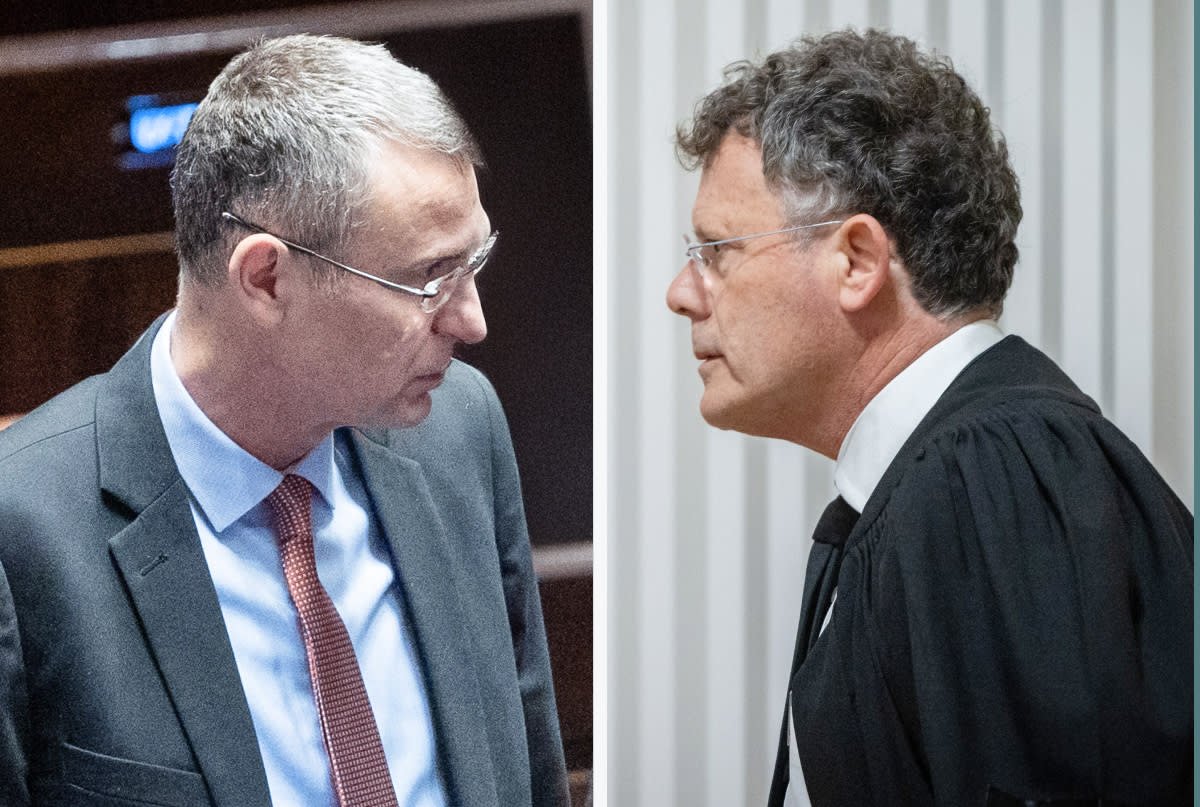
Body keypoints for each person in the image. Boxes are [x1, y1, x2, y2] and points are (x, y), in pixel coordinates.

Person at [0, 34, 568, 806]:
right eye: (431, 278)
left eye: (473, 263)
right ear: (267, 278)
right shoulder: (22, 532)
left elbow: (530, 772)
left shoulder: (458, 431)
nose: (472, 320)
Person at [667, 28, 1192, 806]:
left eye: (717, 250)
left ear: (857, 261)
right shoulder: (948, 481)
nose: (681, 292)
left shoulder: (985, 479)